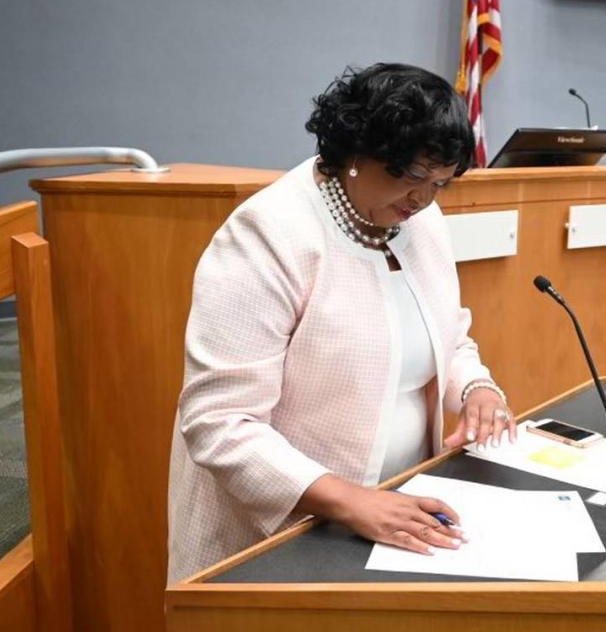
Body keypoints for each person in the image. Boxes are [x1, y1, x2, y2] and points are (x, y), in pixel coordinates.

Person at [167, 63, 514, 583]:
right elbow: (219, 424)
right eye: (411, 176)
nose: (422, 199)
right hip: (281, 533)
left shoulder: (419, 221)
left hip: (394, 512)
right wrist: (352, 502)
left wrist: (476, 391)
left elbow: (448, 336)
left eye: (440, 184)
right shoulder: (268, 236)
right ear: (354, 153)